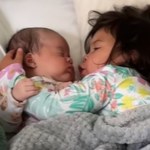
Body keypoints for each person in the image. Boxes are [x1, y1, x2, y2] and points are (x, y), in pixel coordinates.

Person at [1, 5, 150, 125]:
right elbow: (9, 126)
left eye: (96, 49)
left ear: (131, 53)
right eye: (62, 54)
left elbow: (54, 108)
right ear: (30, 60)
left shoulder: (109, 76)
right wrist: (14, 95)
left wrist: (11, 76)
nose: (82, 57)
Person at [0, 27, 75, 130]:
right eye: (61, 54)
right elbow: (6, 126)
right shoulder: (21, 87)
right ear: (31, 60)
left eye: (69, 55)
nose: (70, 59)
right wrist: (15, 97)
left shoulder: (65, 84)